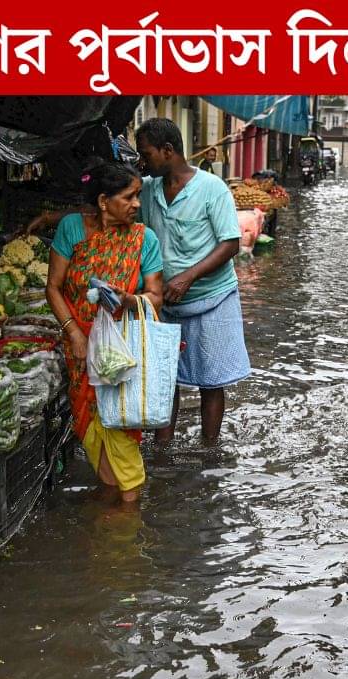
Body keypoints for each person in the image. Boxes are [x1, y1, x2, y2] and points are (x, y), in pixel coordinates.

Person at [45, 161, 165, 504]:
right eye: (129, 197)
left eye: (138, 196)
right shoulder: (72, 229)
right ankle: (113, 508)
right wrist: (75, 335)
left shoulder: (145, 239)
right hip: (80, 348)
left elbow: (155, 297)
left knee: (122, 425)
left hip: (121, 351)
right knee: (89, 425)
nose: (137, 204)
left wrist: (128, 300)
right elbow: (53, 288)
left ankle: (127, 515)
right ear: (103, 201)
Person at [134, 118, 250, 446]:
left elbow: (230, 243)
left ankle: (210, 450)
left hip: (213, 297)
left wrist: (187, 276)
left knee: (211, 381)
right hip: (167, 303)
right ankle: (163, 450)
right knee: (165, 379)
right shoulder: (148, 188)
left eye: (147, 154)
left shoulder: (212, 189)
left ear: (168, 151)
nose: (143, 162)